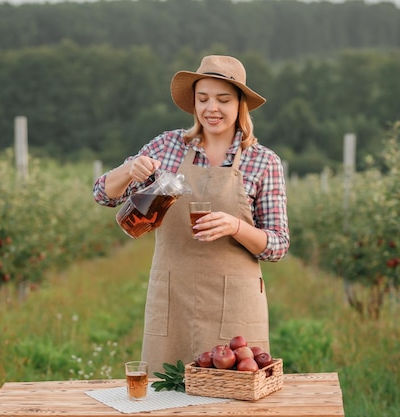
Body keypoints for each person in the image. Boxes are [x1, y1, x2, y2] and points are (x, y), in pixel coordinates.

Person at [93, 55, 289, 374]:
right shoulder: (166, 147)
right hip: (173, 299)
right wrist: (129, 170)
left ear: (240, 103)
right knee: (166, 397)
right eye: (203, 99)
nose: (212, 108)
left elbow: (278, 245)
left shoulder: (263, 162)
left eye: (223, 99)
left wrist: (236, 226)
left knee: (233, 399)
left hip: (235, 305)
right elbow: (103, 195)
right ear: (193, 103)